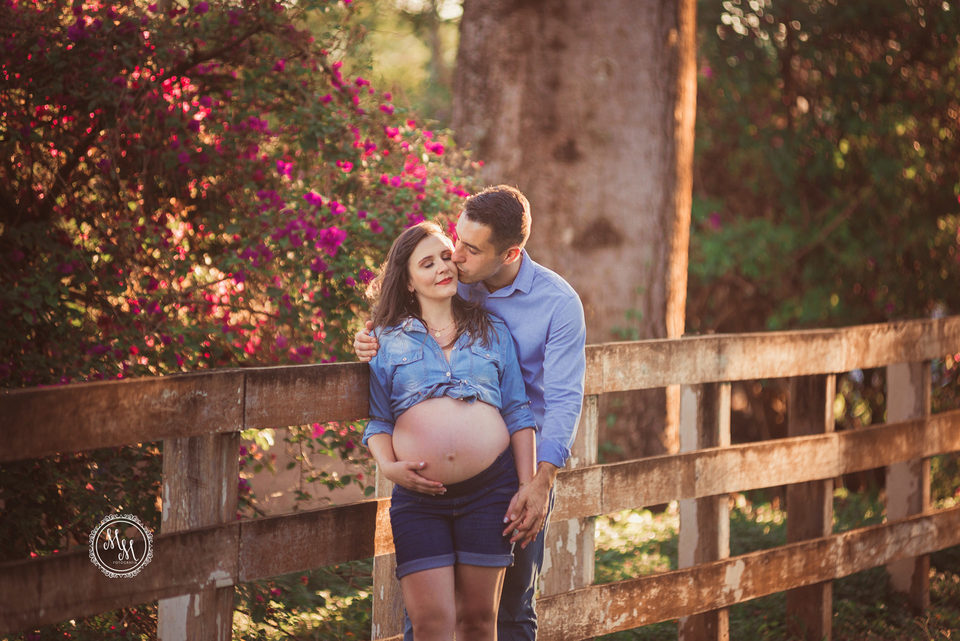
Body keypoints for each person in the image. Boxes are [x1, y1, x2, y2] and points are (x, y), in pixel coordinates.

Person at [357, 185, 587, 641]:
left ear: (509, 253)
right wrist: (368, 337)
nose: (454, 256)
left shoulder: (557, 305)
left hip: (515, 476)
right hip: (427, 494)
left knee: (509, 612)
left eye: (469, 248)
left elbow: (559, 401)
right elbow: (405, 303)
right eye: (455, 239)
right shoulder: (452, 276)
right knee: (426, 621)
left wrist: (537, 483)